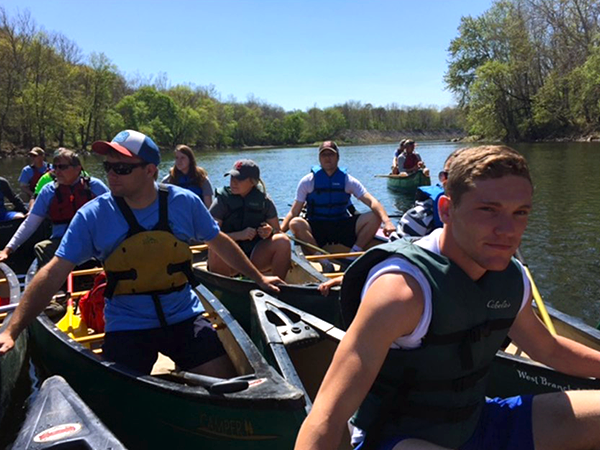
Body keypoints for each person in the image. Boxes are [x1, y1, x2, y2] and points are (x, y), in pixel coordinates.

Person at [295, 145, 600, 450]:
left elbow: (549, 349)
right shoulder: (401, 291)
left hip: (477, 421)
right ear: (445, 210)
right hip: (399, 438)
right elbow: (327, 417)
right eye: (488, 210)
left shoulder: (512, 278)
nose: (508, 230)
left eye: (520, 213)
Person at [0, 129, 283, 377]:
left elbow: (218, 241)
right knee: (118, 401)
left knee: (229, 384)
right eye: (108, 166)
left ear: (150, 171)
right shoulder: (93, 216)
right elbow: (53, 273)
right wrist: (12, 329)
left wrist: (259, 278)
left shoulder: (184, 203)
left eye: (122, 168)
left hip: (183, 315)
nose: (111, 174)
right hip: (127, 324)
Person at [281, 140, 396, 257]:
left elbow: (372, 201)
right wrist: (279, 232)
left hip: (341, 225)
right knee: (295, 223)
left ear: (337, 157)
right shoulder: (308, 181)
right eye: (324, 155)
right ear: (319, 158)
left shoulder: (347, 180)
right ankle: (322, 259)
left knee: (375, 216)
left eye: (331, 154)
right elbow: (294, 211)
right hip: (317, 227)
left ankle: (354, 254)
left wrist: (387, 222)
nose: (327, 158)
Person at [0, 149, 109, 267]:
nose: (57, 171)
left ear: (78, 169)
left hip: (93, 239)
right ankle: (58, 282)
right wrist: (8, 249)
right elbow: (30, 223)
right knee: (41, 248)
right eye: (55, 167)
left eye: (62, 167)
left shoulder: (95, 186)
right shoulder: (48, 191)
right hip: (62, 241)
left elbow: (116, 212)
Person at [209, 159, 291, 279]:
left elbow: (277, 231)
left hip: (255, 257)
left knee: (283, 241)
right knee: (215, 246)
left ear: (253, 182)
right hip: (229, 259)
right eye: (232, 177)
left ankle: (279, 288)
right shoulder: (222, 201)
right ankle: (223, 288)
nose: (233, 182)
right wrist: (239, 235)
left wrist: (269, 231)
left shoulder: (264, 201)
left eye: (239, 179)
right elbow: (210, 235)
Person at [397, 148, 464, 238]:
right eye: (446, 175)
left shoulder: (416, 155)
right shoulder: (419, 218)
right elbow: (402, 169)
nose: (446, 181)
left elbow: (422, 166)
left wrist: (422, 168)